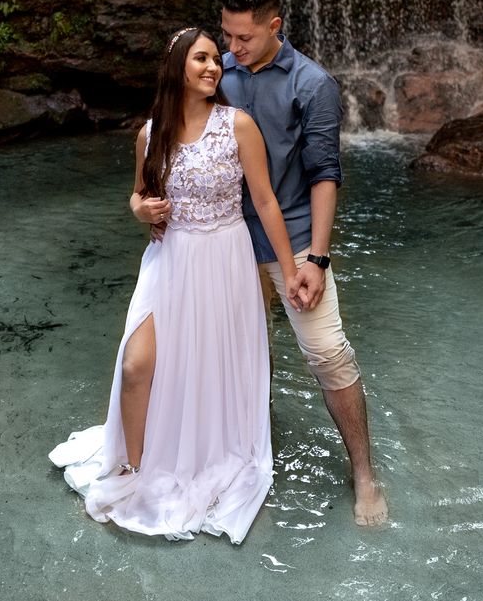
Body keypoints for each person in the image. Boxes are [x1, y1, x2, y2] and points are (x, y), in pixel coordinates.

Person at [49, 27, 301, 544]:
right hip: (169, 259)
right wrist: (143, 208)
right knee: (137, 362)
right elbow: (140, 196)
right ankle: (136, 467)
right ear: (177, 68)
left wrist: (292, 270)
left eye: (216, 59)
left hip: (224, 260)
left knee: (206, 366)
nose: (214, 67)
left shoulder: (238, 125)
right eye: (202, 58)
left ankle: (201, 453)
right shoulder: (149, 134)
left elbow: (266, 202)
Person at [217, 0, 389, 526]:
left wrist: (317, 258)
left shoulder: (313, 84)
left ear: (274, 26)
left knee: (329, 355)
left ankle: (364, 474)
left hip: (290, 242)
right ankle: (251, 460)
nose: (233, 48)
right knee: (244, 355)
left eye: (243, 37)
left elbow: (324, 175)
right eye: (226, 34)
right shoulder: (215, 73)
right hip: (224, 244)